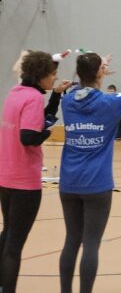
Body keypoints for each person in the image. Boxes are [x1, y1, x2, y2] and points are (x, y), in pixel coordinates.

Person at [59, 50, 121, 293]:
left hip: (68, 183)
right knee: (91, 243)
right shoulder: (110, 103)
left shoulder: (67, 101)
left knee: (71, 241)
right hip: (97, 184)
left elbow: (78, 87)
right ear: (101, 73)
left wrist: (93, 67)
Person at [0, 51, 59, 293]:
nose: (55, 78)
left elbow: (36, 120)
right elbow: (29, 137)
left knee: (7, 234)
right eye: (53, 74)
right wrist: (46, 134)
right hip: (25, 182)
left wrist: (56, 98)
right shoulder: (33, 98)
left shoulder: (16, 93)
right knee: (14, 245)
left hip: (6, 177)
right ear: (41, 75)